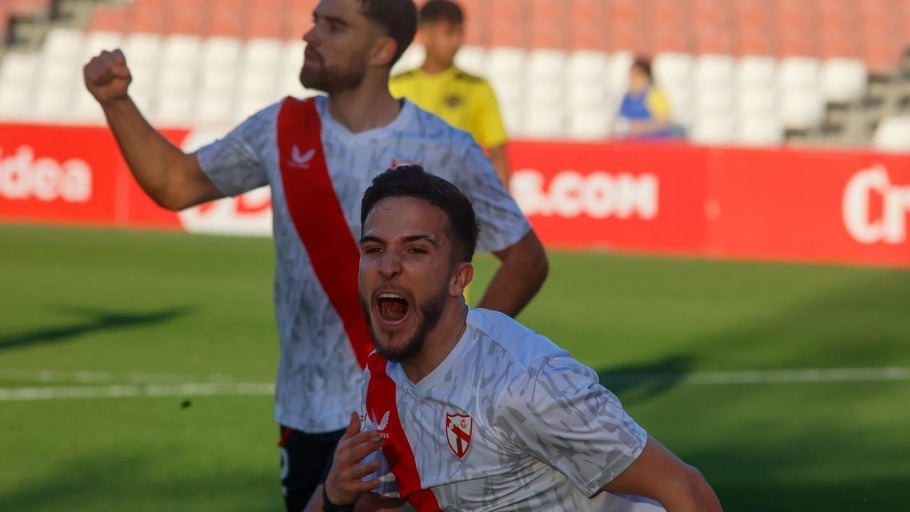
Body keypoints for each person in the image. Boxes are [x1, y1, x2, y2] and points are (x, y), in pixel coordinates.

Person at [81, 1, 548, 511]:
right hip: (303, 410)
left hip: (406, 408)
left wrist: (455, 364)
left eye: (334, 25)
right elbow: (175, 183)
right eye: (315, 21)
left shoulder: (444, 146)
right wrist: (116, 101)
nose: (311, 35)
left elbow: (525, 257)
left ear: (381, 49)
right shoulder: (280, 127)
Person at [319, 166, 722, 511]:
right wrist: (336, 497)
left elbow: (687, 490)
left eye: (416, 250)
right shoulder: (380, 383)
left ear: (460, 278)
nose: (388, 266)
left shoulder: (527, 381)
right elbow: (381, 503)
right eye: (374, 248)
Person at [388, 0, 510, 188]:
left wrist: (503, 210)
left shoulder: (477, 88)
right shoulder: (396, 85)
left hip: (460, 197)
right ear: (425, 35)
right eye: (448, 33)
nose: (456, 41)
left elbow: (497, 154)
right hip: (405, 195)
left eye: (459, 32)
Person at [614, 57, 681, 139]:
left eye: (637, 75)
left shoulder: (654, 95)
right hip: (631, 144)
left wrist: (641, 128)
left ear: (646, 76)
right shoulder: (626, 97)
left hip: (653, 144)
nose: (633, 79)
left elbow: (666, 120)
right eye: (631, 75)